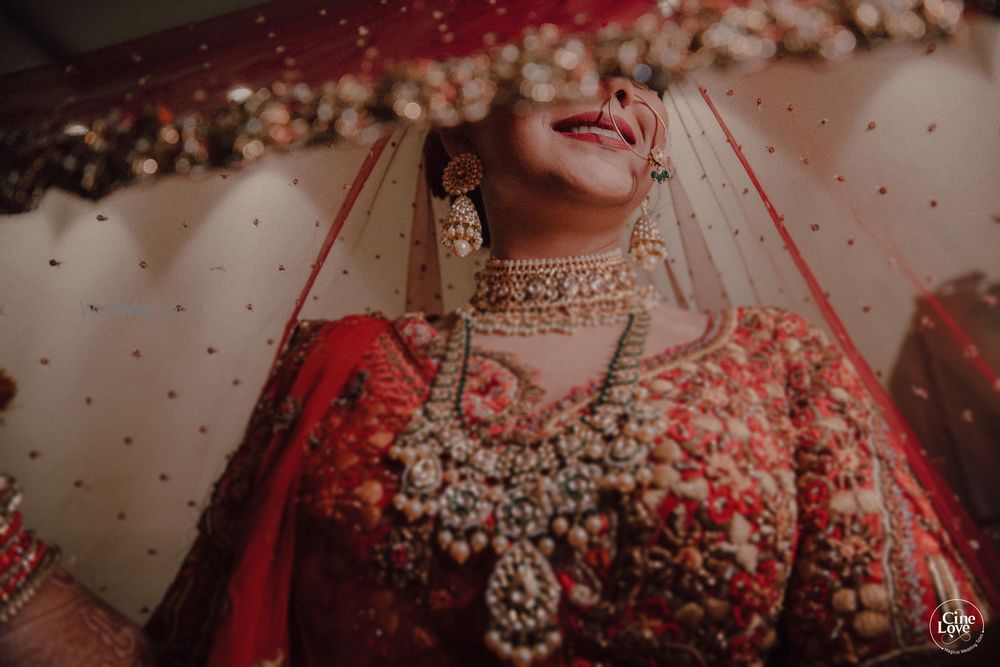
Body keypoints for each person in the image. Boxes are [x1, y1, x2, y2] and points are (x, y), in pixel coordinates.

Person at [0, 77, 993, 666]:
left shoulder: (778, 360)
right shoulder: (338, 365)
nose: (609, 83)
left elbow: (939, 630)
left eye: (634, 69)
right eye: (561, 50)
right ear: (455, 136)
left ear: (655, 154)